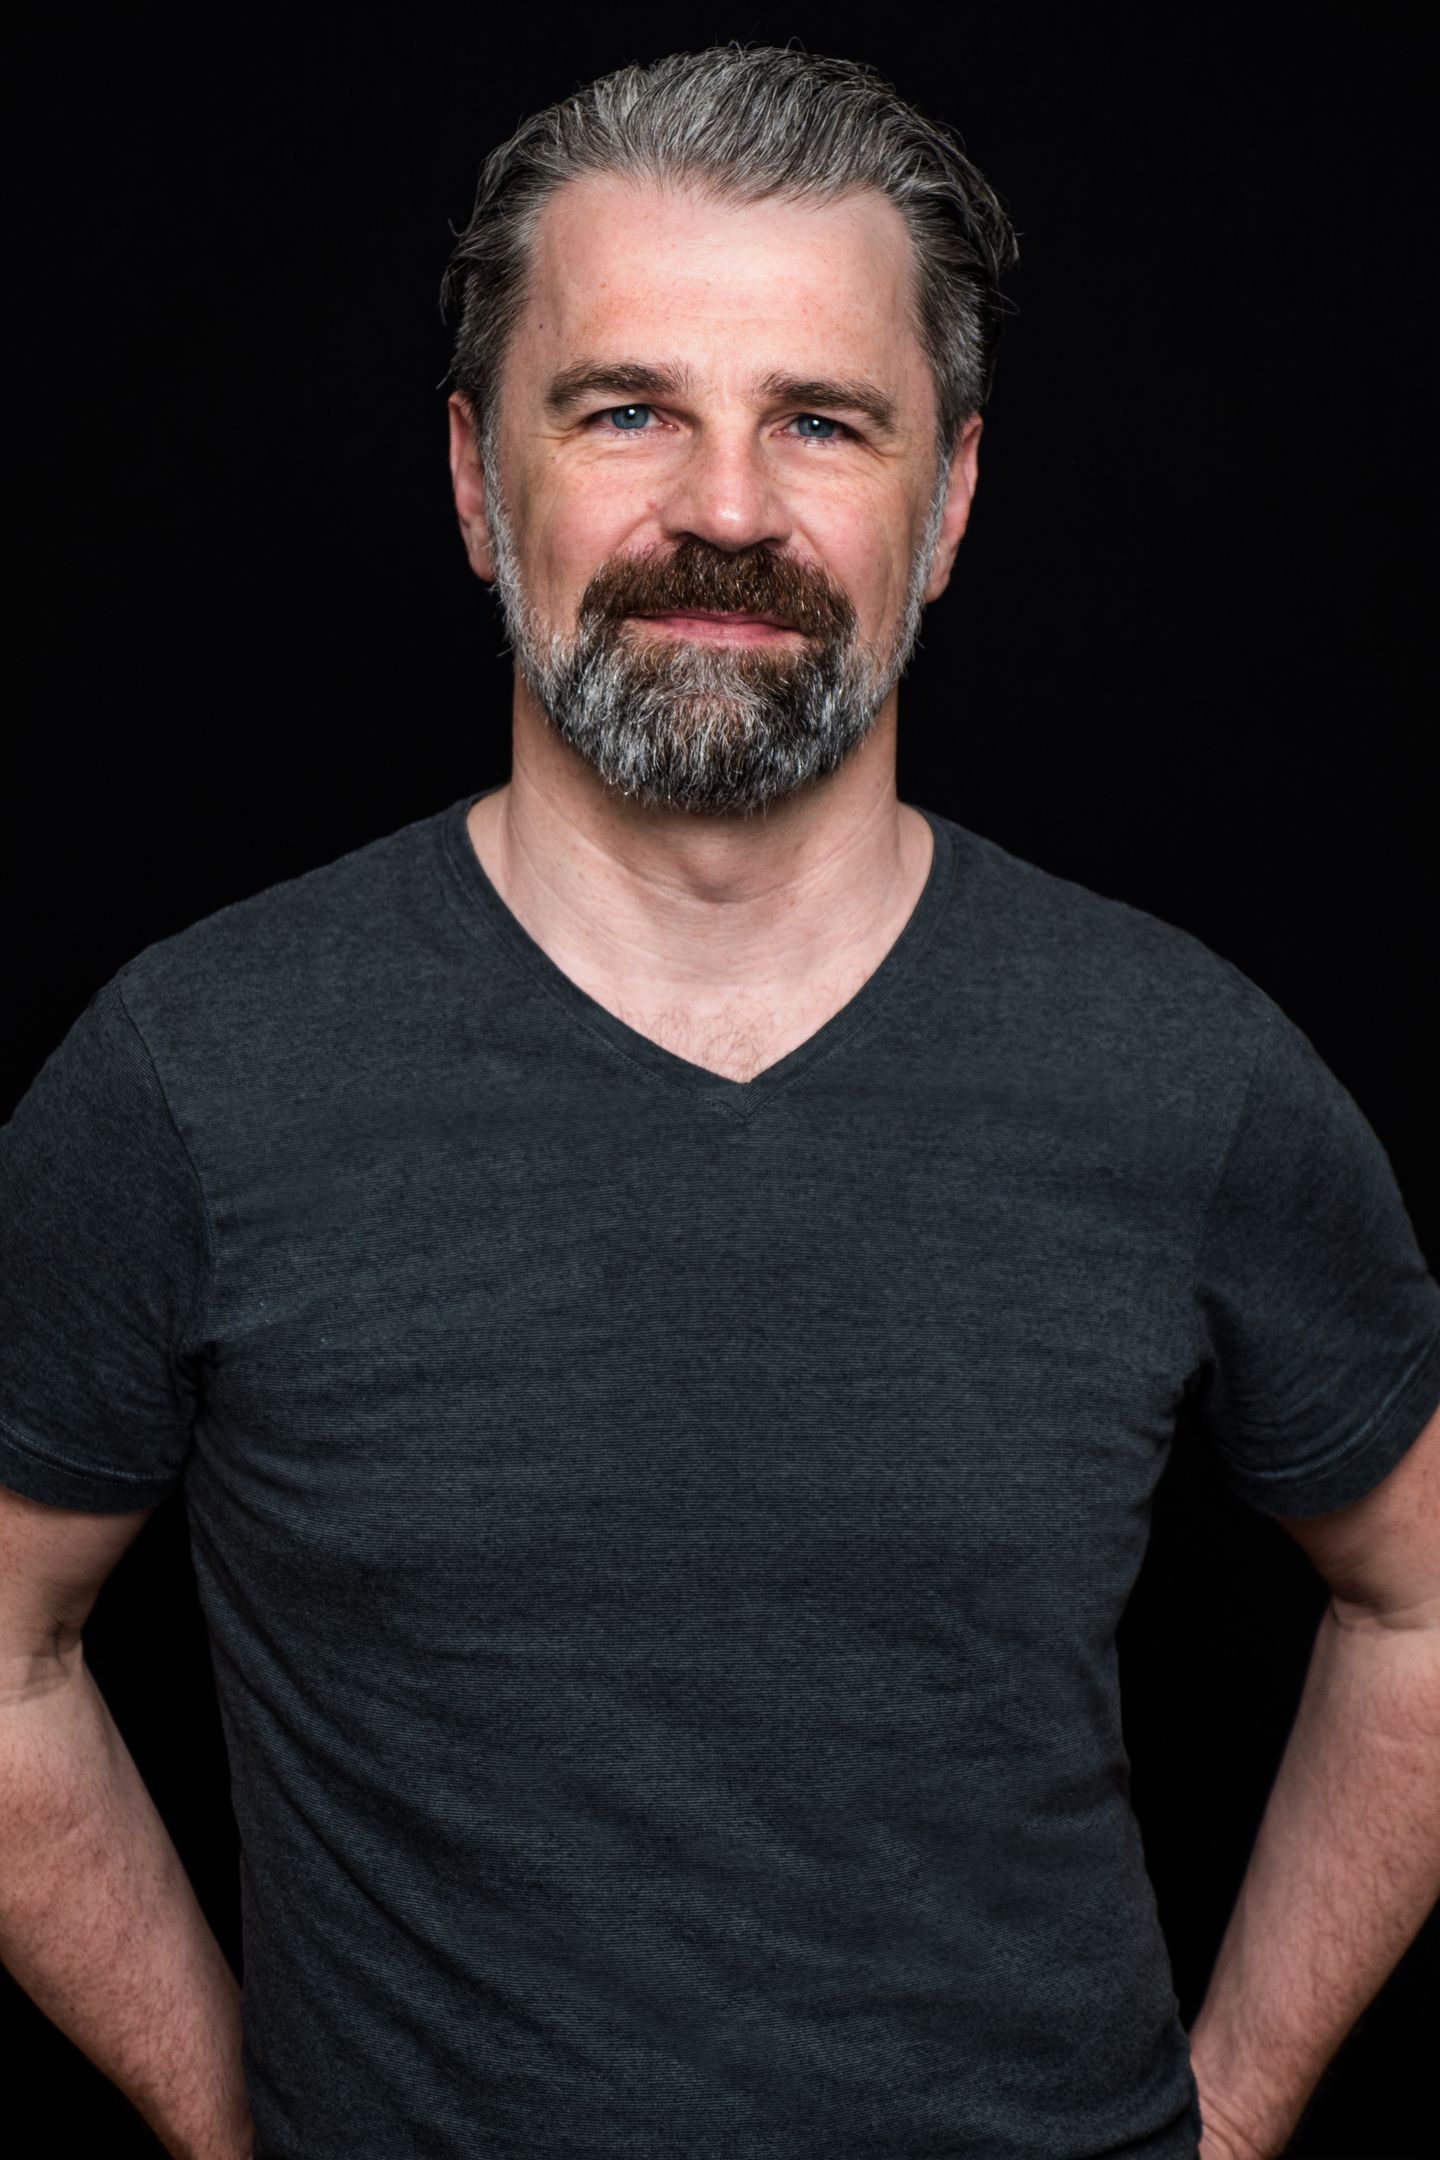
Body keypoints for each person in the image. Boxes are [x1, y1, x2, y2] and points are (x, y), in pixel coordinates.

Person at [2, 44, 1437, 2160]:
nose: (730, 512)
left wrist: (1221, 2125)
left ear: (949, 504)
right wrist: (241, 2124)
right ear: (475, 479)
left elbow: (1420, 1597)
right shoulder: (192, 1074)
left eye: (821, 421)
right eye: (627, 411)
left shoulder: (1183, 1072)